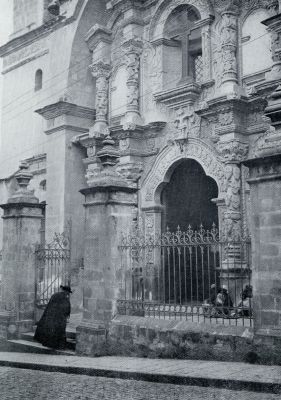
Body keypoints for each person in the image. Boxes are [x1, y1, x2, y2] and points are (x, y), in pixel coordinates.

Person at [34, 285, 72, 349]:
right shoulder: (65, 297)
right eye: (68, 292)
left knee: (51, 330)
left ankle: (49, 343)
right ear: (66, 291)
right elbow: (67, 307)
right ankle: (58, 345)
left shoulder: (55, 295)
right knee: (59, 330)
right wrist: (66, 315)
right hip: (60, 318)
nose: (68, 294)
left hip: (51, 316)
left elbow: (49, 305)